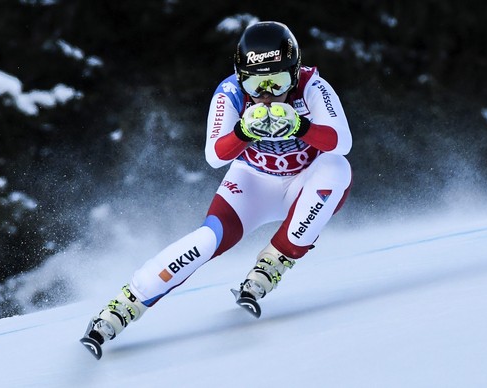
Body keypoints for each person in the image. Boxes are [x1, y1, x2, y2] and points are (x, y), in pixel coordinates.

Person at [80, 21, 353, 358]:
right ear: (241, 76)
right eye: (256, 82)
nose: (267, 93)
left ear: (295, 72)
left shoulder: (313, 86)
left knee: (336, 168)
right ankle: (128, 301)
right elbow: (215, 155)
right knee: (207, 239)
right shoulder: (231, 92)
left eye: (278, 81)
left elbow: (342, 142)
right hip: (254, 182)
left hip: (305, 181)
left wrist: (301, 125)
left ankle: (275, 261)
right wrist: (243, 131)